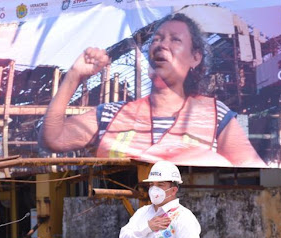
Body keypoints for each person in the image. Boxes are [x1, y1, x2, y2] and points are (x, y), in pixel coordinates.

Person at [42, 13, 265, 168]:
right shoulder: (110, 115)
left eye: (175, 40)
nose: (161, 45)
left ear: (195, 57)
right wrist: (74, 76)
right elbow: (53, 138)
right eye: (157, 39)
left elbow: (251, 168)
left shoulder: (215, 115)